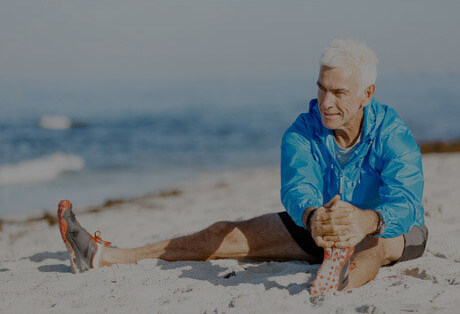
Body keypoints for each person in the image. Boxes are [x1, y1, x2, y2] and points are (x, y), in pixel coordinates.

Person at [58, 39, 427, 292]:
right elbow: (297, 189)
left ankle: (337, 283)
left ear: (368, 94)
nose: (326, 102)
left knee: (373, 247)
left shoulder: (393, 133)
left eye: (339, 92)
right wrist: (314, 217)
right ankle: (106, 256)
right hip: (318, 226)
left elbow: (407, 201)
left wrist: (367, 220)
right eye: (322, 88)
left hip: (389, 227)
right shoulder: (301, 131)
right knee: (223, 232)